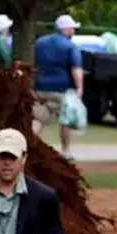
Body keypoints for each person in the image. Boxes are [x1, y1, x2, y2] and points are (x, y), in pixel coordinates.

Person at [33, 14, 86, 155]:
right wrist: (80, 87)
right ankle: (66, 150)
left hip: (39, 87)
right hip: (61, 89)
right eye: (72, 28)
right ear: (66, 29)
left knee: (38, 118)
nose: (74, 32)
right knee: (66, 120)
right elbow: (76, 68)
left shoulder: (39, 42)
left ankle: (29, 145)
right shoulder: (71, 46)